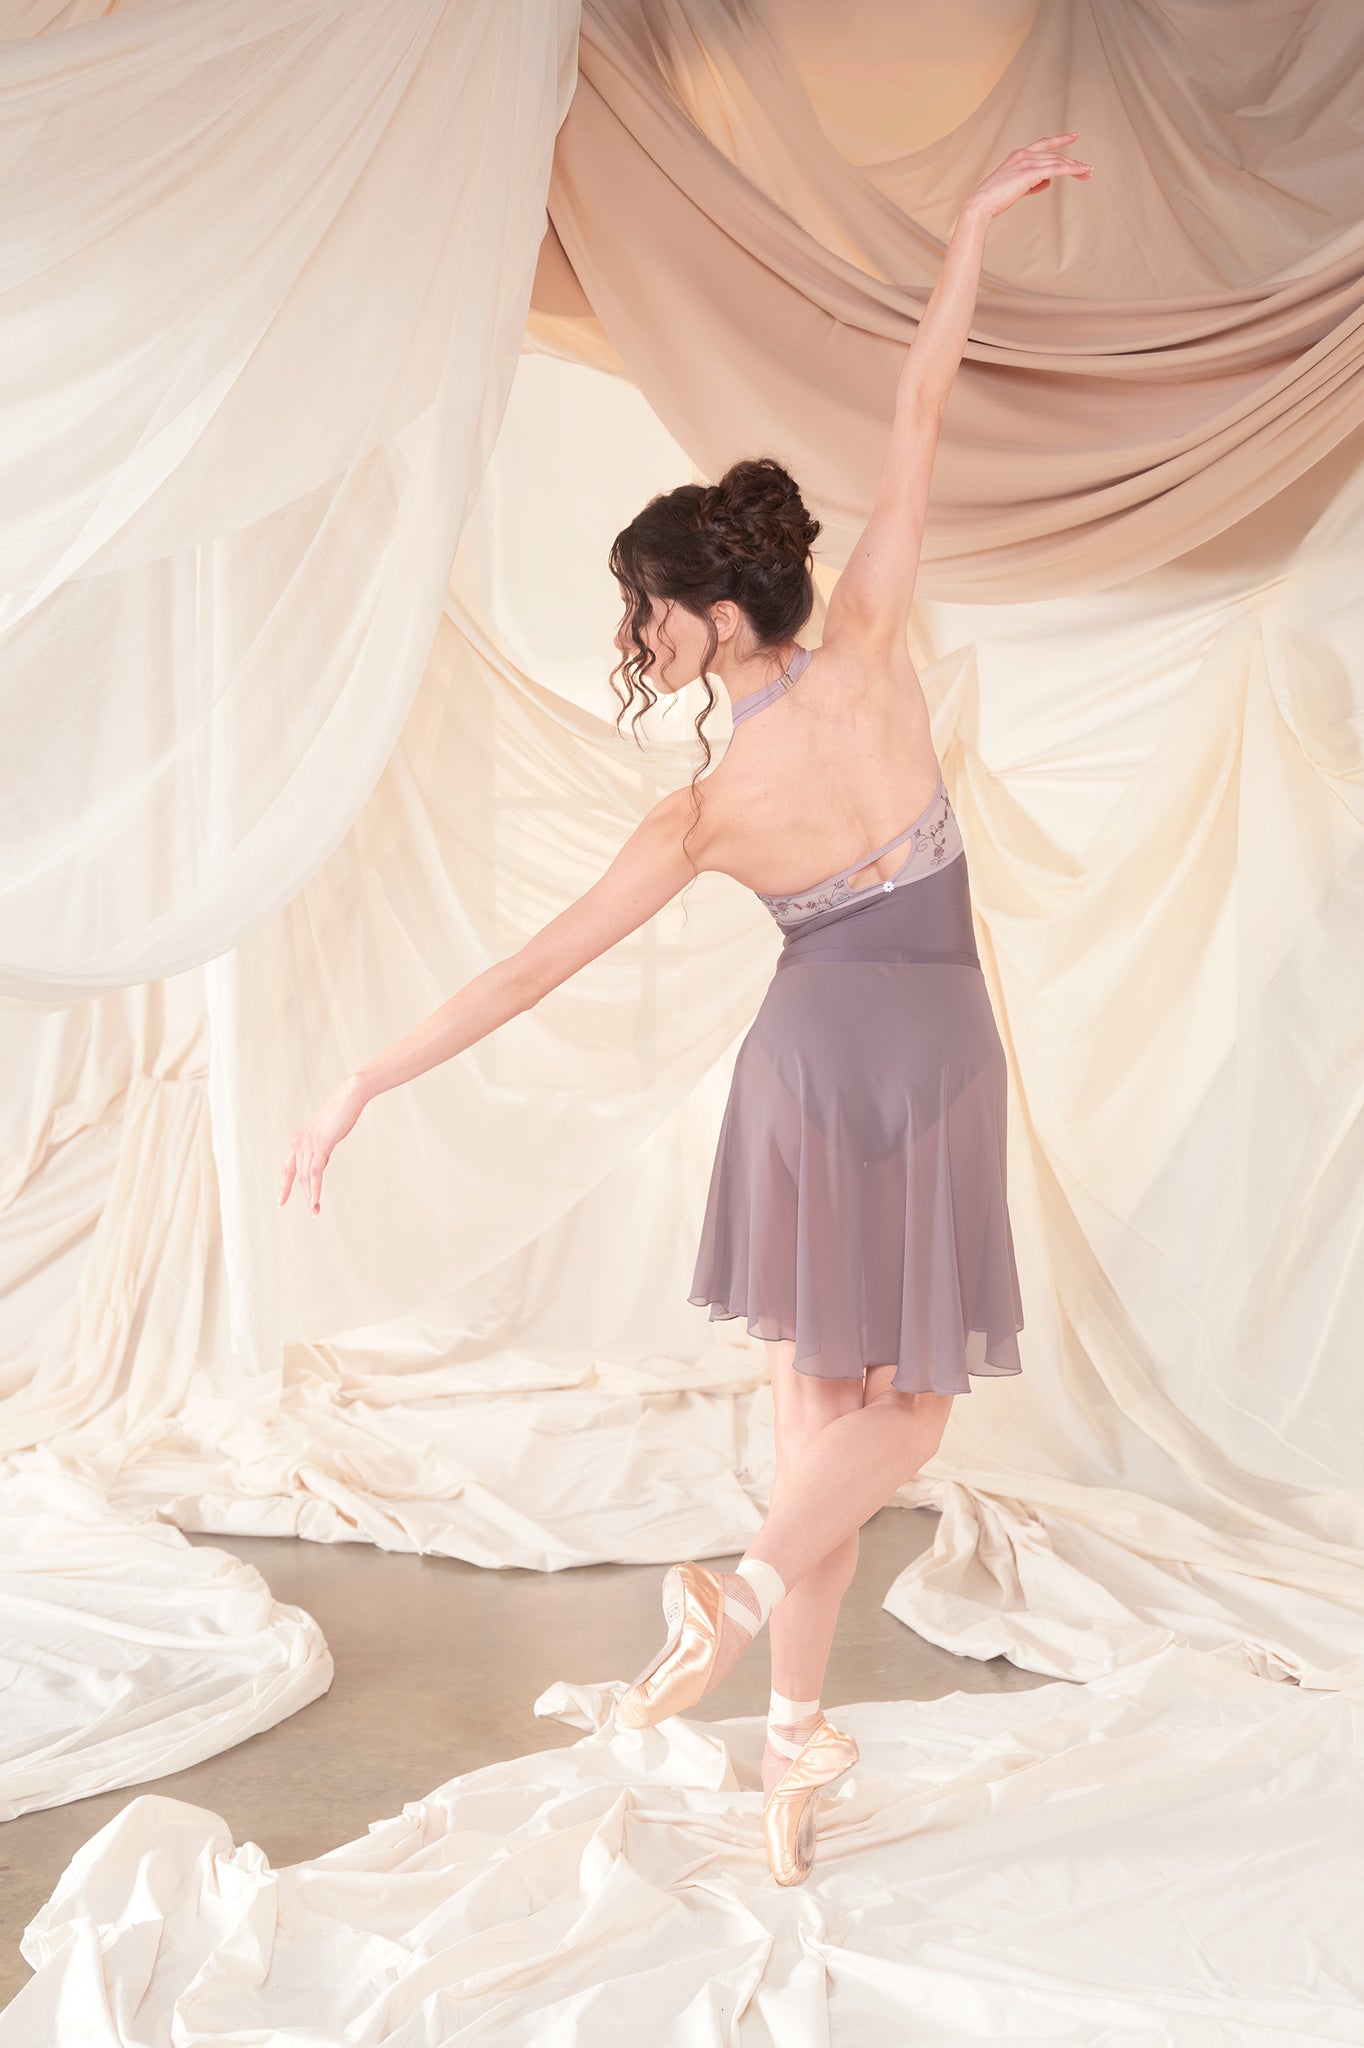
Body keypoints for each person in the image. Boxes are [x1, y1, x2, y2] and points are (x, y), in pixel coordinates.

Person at [279, 134, 1092, 1884]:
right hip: (934, 1053)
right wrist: (966, 231)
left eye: (648, 613)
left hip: (812, 1071)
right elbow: (925, 407)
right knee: (901, 1414)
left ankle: (769, 1692)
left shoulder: (707, 814)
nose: (636, 636)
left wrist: (360, 1081)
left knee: (831, 1418)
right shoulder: (871, 645)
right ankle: (769, 1678)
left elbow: (526, 971)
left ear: (719, 618)